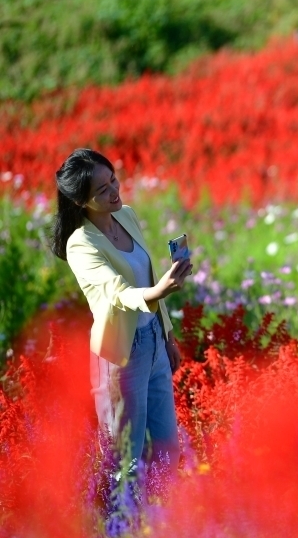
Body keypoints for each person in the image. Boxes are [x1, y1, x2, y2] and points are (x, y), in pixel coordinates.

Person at [50, 148, 193, 471]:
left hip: (154, 340)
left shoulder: (126, 215)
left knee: (168, 449)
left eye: (113, 180)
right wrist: (159, 292)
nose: (114, 192)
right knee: (126, 456)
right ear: (80, 202)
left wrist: (167, 335)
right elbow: (116, 291)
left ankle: (164, 520)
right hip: (121, 354)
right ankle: (121, 521)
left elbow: (147, 275)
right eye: (102, 190)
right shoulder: (80, 244)